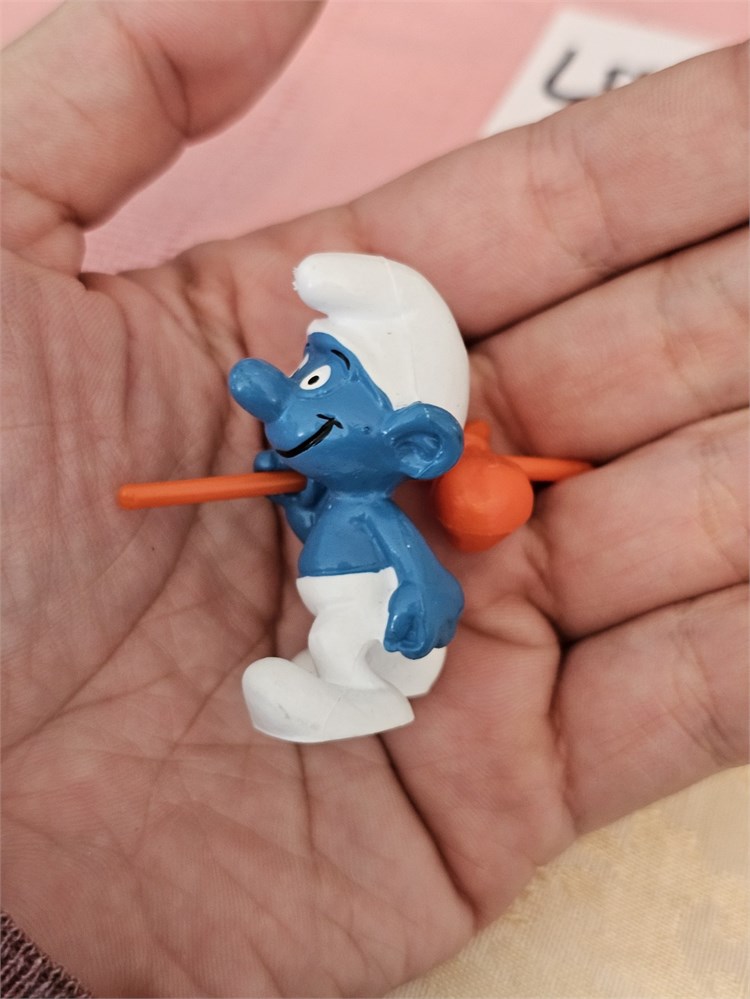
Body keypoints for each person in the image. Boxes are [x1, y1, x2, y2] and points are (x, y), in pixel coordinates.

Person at [2, 3, 747, 997]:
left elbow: (419, 569)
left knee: (343, 644)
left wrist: (419, 601)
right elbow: (316, 514)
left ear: (414, 446)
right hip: (333, 604)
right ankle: (340, 685)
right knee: (332, 638)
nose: (281, 392)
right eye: (307, 373)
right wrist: (300, 506)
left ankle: (351, 690)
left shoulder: (384, 509)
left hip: (368, 620)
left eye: (321, 382)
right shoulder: (335, 494)